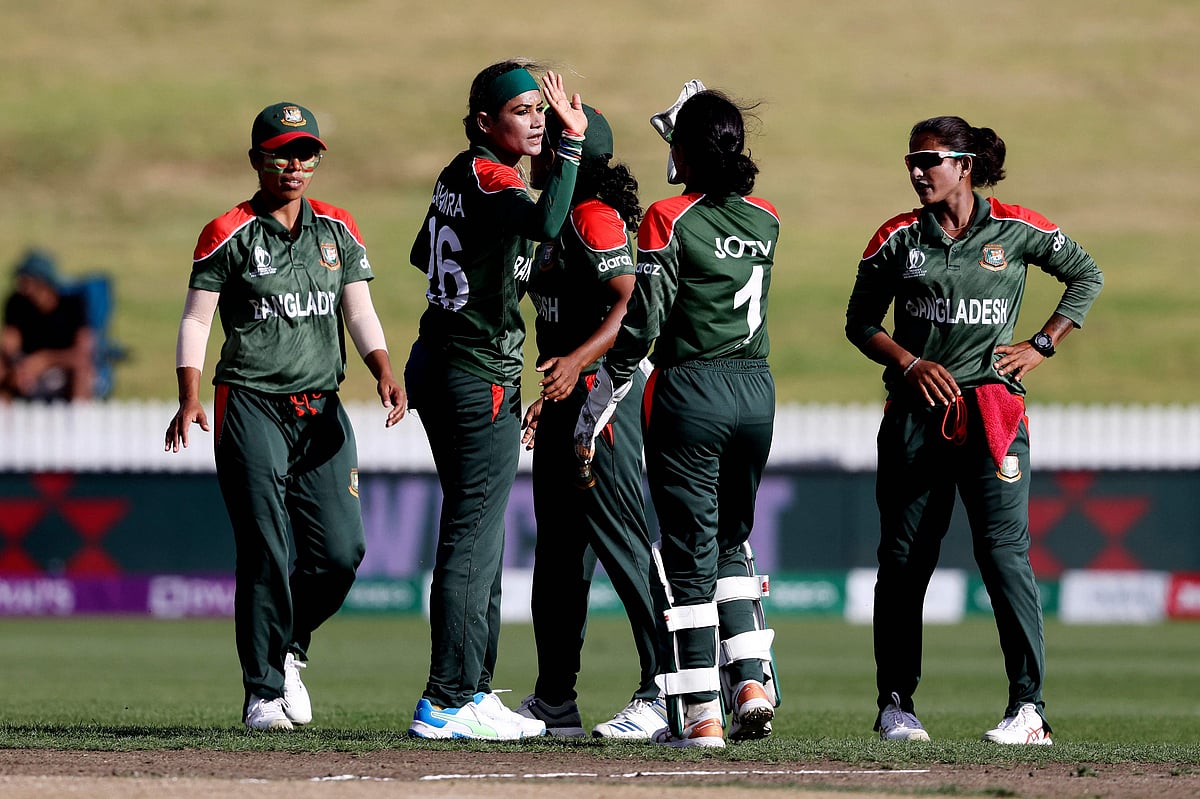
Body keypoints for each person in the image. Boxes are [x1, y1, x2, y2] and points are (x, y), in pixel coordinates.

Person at [844, 115, 1104, 745]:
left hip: (993, 414)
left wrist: (1042, 344)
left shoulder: (1017, 227)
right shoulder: (896, 237)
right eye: (911, 160)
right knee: (904, 561)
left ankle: (1029, 709)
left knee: (1003, 554)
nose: (917, 171)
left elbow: (1087, 275)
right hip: (916, 416)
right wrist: (908, 362)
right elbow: (859, 322)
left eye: (928, 159)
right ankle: (896, 706)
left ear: (964, 165)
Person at [163, 101, 406, 731]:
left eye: (306, 154)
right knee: (266, 548)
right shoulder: (228, 231)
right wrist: (189, 395)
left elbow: (358, 310)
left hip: (321, 407)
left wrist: (382, 367)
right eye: (282, 154)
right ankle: (262, 691)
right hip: (250, 403)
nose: (295, 165)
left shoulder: (338, 228)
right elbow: (196, 319)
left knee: (341, 553)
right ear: (256, 159)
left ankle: (289, 646)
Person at [574, 88, 781, 748]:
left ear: (685, 153)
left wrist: (605, 389)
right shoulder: (767, 218)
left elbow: (644, 317)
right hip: (757, 391)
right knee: (732, 541)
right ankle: (751, 682)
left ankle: (700, 714)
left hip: (692, 389)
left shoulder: (668, 217)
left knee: (689, 555)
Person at [403, 61, 589, 741]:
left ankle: (474, 690)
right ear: (485, 122)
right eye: (523, 111)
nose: (538, 121)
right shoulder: (491, 176)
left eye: (542, 110)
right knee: (473, 532)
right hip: (475, 370)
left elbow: (424, 253)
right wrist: (573, 144)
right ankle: (447, 697)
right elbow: (545, 221)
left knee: (481, 531)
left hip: (442, 359)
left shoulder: (460, 172)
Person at [514, 104, 668, 739]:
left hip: (602, 399)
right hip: (565, 399)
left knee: (621, 540)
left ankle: (666, 691)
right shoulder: (555, 219)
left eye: (543, 139)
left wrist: (577, 363)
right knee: (558, 555)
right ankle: (555, 700)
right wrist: (553, 387)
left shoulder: (592, 216)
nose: (533, 149)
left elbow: (632, 300)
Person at [0, 249, 95, 401]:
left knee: (82, 369)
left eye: (26, 280)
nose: (20, 286)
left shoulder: (72, 304)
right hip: (27, 368)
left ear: (42, 282)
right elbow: (10, 343)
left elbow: (83, 353)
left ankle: (79, 415)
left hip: (61, 371)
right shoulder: (16, 303)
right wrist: (18, 366)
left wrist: (46, 360)